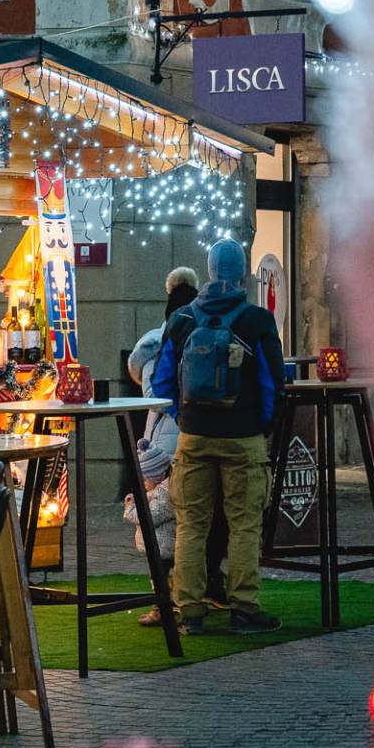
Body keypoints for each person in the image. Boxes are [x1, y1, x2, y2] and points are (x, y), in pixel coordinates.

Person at [152, 239, 286, 636]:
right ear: (242, 271)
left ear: (209, 270)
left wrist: (187, 417)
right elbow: (271, 385)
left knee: (192, 525)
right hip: (243, 438)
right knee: (245, 525)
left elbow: (162, 384)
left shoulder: (181, 320)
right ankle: (244, 607)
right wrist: (257, 427)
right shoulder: (257, 322)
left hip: (193, 438)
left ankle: (189, 610)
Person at [126, 267, 226, 628]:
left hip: (165, 440)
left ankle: (168, 601)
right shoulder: (203, 330)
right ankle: (199, 591)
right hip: (198, 434)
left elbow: (155, 396)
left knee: (166, 524)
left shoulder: (158, 341)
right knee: (196, 519)